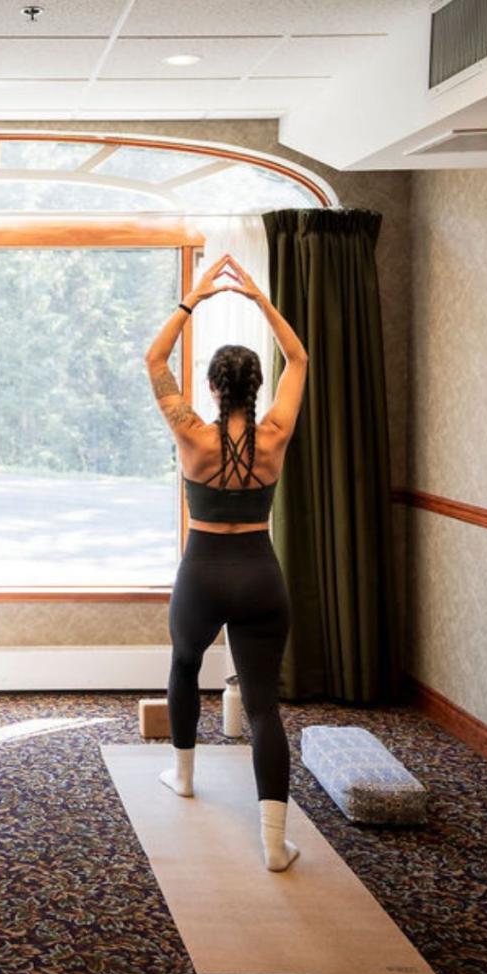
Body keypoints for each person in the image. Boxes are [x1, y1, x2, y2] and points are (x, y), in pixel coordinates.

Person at [143, 253, 309, 871]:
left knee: (184, 665)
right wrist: (260, 301)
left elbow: (155, 361)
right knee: (264, 706)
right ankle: (273, 844)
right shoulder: (276, 432)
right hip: (261, 575)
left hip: (203, 573)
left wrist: (195, 299)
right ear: (255, 388)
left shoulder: (192, 432)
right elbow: (301, 359)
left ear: (212, 387)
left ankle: (183, 777)